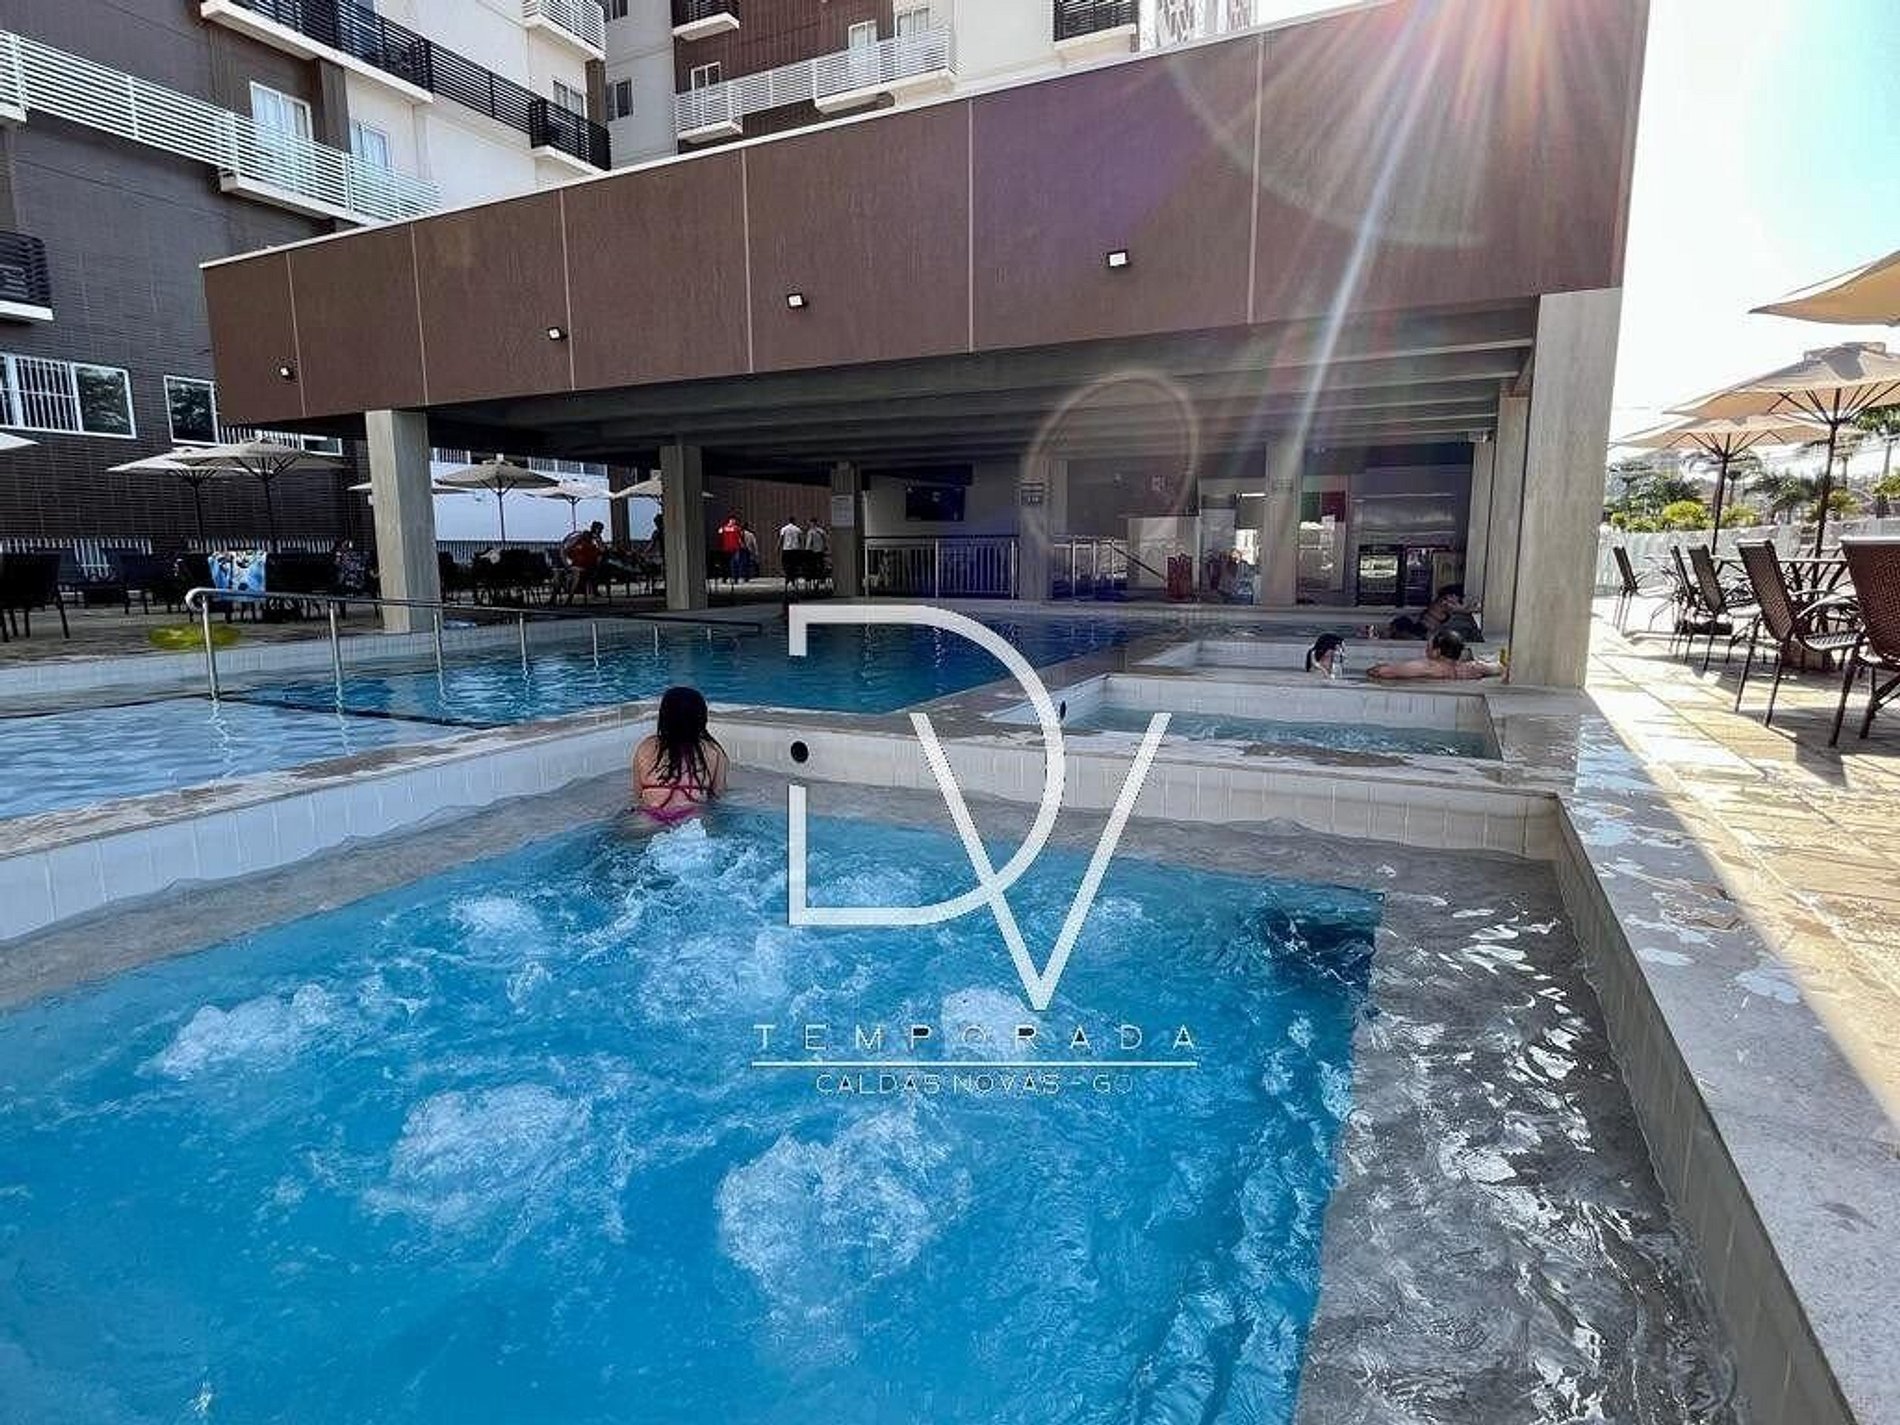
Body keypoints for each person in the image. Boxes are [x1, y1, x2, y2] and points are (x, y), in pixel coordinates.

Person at [632, 686, 729, 824]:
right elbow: (718, 795)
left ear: (664, 717)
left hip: (649, 818)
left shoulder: (646, 747)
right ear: (701, 717)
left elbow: (638, 795)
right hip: (693, 818)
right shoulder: (712, 750)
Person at [1367, 629, 1501, 681]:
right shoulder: (1472, 667)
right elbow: (1500, 667)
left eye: (1429, 645)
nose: (1426, 648)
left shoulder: (1429, 667)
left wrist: (1376, 668)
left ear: (1437, 652)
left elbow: (1382, 672)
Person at [1388, 584, 1466, 640]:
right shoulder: (1442, 603)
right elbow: (1460, 609)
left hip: (1426, 631)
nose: (1456, 600)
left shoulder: (1446, 604)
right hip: (1422, 630)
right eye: (1454, 597)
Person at [558, 520, 606, 604]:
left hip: (587, 567)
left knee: (576, 572)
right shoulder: (580, 540)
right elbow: (567, 549)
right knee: (558, 573)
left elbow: (601, 552)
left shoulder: (596, 542)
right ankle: (553, 598)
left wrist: (598, 540)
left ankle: (570, 598)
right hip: (575, 565)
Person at [779, 515, 806, 587]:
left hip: (786, 549)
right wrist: (802, 549)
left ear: (789, 521)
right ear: (794, 521)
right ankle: (793, 578)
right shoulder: (798, 529)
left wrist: (778, 547)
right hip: (795, 550)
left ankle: (788, 577)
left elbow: (781, 539)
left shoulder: (784, 529)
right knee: (794, 565)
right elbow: (801, 540)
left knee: (786, 564)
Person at [716, 512, 744, 583]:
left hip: (735, 548)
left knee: (735, 564)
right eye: (732, 520)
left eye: (734, 520)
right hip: (726, 549)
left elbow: (739, 538)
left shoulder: (737, 528)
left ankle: (735, 578)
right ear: (729, 520)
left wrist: (741, 545)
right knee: (726, 564)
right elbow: (719, 537)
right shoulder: (723, 528)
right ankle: (725, 577)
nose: (733, 521)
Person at [804, 517, 829, 586]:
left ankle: (812, 578)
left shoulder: (811, 532)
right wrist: (825, 548)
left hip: (813, 552)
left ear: (812, 523)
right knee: (821, 565)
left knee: (812, 566)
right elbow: (826, 540)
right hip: (821, 551)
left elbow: (808, 543)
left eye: (810, 523)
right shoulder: (821, 531)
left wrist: (806, 551)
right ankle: (821, 578)